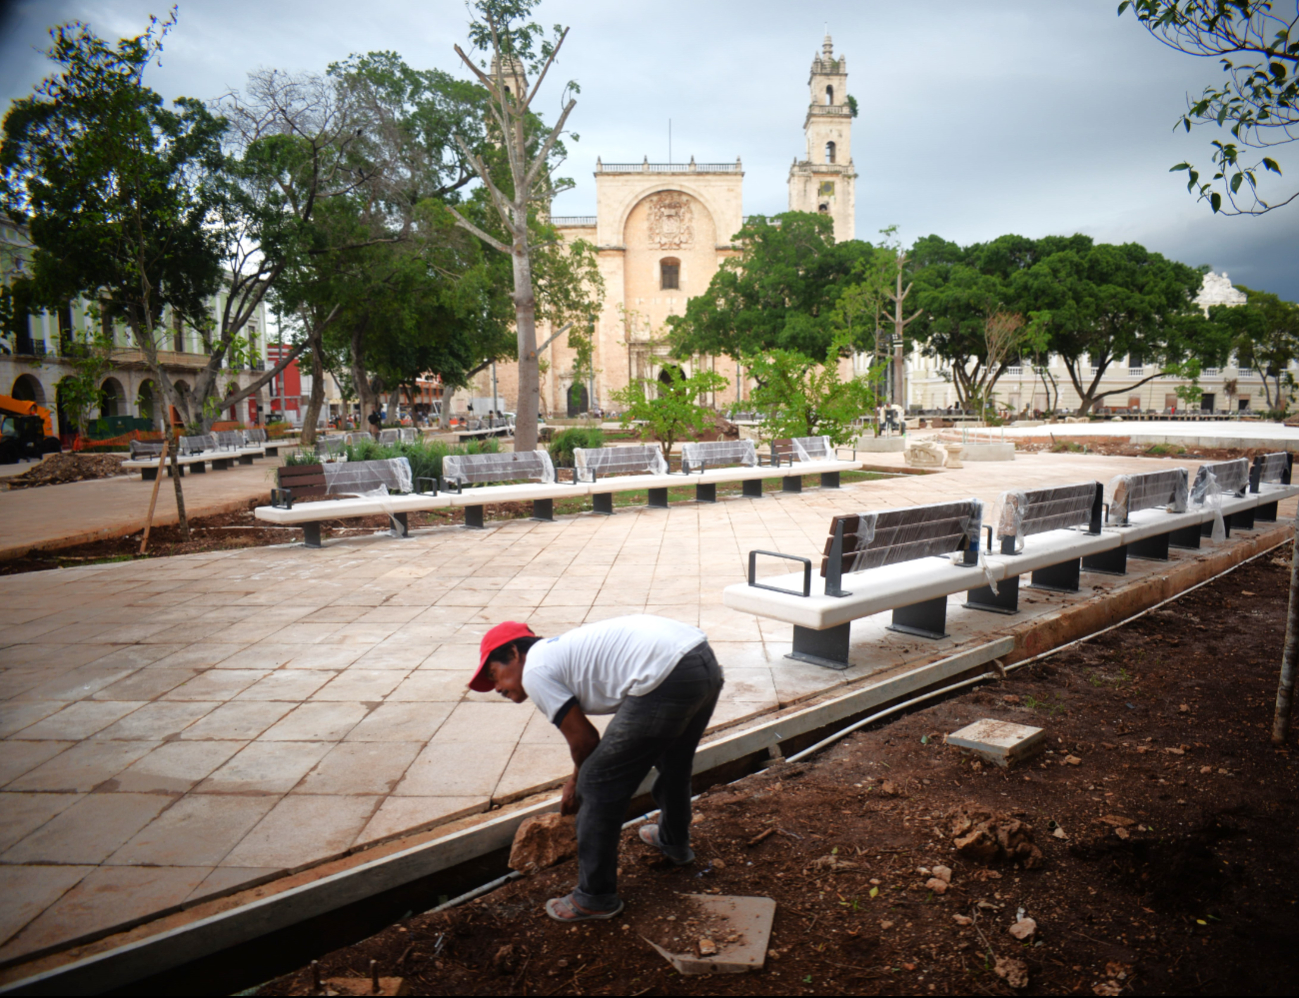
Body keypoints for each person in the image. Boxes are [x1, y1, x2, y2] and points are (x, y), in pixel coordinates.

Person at [470, 615, 723, 923]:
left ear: (513, 653)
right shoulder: (556, 654)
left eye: (494, 674)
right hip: (700, 660)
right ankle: (673, 841)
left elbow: (585, 739)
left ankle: (595, 897)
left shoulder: (535, 670)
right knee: (674, 760)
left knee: (597, 783)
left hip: (666, 671)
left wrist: (575, 781)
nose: (496, 687)